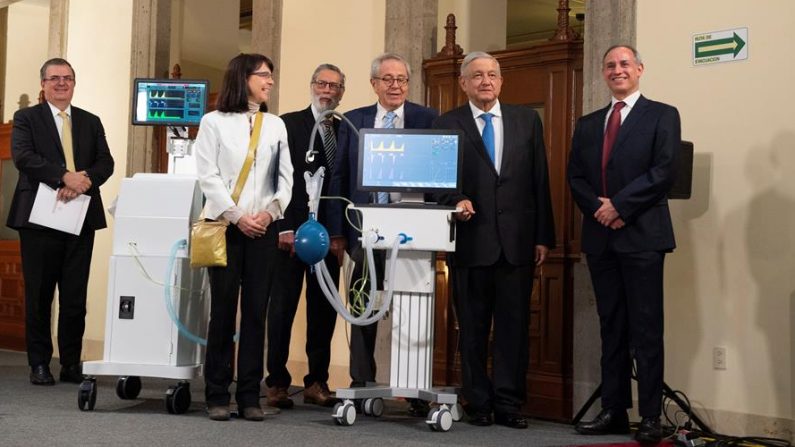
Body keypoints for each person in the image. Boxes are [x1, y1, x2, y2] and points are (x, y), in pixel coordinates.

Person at [432, 51, 555, 429]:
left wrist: (542, 237)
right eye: (478, 75)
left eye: (493, 75)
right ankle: (478, 402)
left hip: (517, 244)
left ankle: (509, 403)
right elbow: (439, 182)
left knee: (513, 330)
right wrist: (456, 200)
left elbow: (540, 181)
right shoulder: (447, 123)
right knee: (472, 329)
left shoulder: (526, 120)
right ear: (464, 83)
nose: (486, 81)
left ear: (501, 82)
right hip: (471, 243)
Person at [567, 44, 680, 443]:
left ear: (639, 69)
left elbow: (664, 171)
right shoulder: (587, 123)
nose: (618, 70)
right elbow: (575, 176)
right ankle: (614, 410)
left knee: (646, 330)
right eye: (610, 65)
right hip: (601, 240)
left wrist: (619, 206)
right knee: (611, 328)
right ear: (603, 73)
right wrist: (599, 210)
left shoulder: (662, 115)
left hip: (643, 237)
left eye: (624, 64)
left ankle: (651, 416)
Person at [326, 53, 437, 416]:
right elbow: (339, 176)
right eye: (387, 79)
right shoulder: (354, 120)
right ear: (374, 83)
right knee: (363, 305)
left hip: (413, 233)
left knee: (411, 306)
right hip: (365, 230)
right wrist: (339, 232)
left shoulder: (426, 118)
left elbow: (437, 173)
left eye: (402, 79)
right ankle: (362, 382)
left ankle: (417, 390)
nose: (395, 86)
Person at [193, 53, 293, 422]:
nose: (270, 81)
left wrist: (268, 213)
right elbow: (208, 176)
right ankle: (217, 393)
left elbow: (286, 180)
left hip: (263, 231)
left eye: (271, 75)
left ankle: (250, 395)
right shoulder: (213, 122)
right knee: (222, 312)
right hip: (225, 228)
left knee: (255, 313)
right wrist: (237, 217)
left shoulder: (276, 125)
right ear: (243, 77)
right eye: (263, 75)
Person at [7, 58, 114, 386]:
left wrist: (84, 181)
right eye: (54, 78)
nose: (61, 83)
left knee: (74, 297)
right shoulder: (27, 119)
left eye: (67, 78)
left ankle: (70, 363)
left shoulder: (90, 121)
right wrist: (63, 177)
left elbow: (105, 162)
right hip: (39, 219)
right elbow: (23, 157)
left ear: (74, 83)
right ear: (43, 84)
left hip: (80, 217)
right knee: (39, 295)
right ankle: (39, 363)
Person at [265, 63, 346, 409]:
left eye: (335, 86)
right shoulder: (287, 124)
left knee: (324, 310)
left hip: (330, 237)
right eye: (322, 83)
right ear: (312, 85)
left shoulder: (345, 130)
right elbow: (274, 178)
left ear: (342, 92)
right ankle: (278, 383)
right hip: (291, 234)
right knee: (282, 308)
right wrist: (283, 225)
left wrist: (340, 234)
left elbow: (346, 182)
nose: (328, 90)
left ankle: (317, 381)